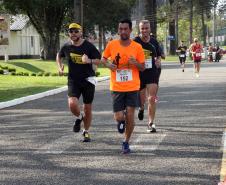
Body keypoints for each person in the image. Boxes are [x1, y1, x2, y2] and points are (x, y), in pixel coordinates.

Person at [101, 18, 145, 154]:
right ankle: (121, 120)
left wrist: (135, 63)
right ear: (118, 30)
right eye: (121, 29)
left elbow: (143, 67)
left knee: (130, 116)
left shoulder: (137, 47)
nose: (123, 31)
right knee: (119, 116)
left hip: (132, 87)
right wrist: (108, 64)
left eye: (126, 29)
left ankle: (126, 142)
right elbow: (103, 59)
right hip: (117, 87)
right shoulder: (112, 44)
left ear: (130, 30)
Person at [56, 23, 101, 142]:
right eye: (71, 31)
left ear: (81, 32)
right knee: (72, 104)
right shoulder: (66, 46)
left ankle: (86, 131)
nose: (73, 34)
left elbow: (99, 60)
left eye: (76, 31)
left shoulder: (89, 46)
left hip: (88, 81)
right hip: (73, 80)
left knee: (87, 108)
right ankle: (79, 117)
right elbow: (59, 56)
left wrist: (89, 61)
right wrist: (60, 67)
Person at [134, 20, 162, 133]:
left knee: (152, 98)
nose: (145, 30)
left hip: (152, 73)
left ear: (150, 29)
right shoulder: (135, 42)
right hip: (139, 73)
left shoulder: (154, 42)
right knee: (142, 100)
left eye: (146, 28)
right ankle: (141, 108)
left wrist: (158, 61)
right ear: (139, 30)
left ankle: (151, 123)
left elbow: (159, 56)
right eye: (142, 28)